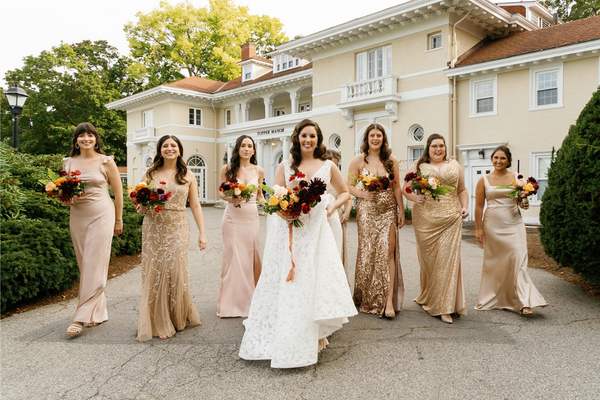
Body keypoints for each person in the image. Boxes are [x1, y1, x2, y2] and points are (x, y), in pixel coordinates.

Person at [239, 119, 357, 368]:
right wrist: (285, 211)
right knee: (292, 280)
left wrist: (332, 206)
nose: (308, 140)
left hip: (317, 230)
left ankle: (315, 334)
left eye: (312, 136)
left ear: (318, 139)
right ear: (297, 138)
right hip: (292, 230)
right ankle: (287, 331)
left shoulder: (328, 165)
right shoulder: (286, 165)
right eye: (304, 135)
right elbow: (275, 197)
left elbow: (345, 192)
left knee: (314, 279)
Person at [136, 135, 207, 341]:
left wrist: (202, 232)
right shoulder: (150, 173)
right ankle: (157, 320)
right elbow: (139, 201)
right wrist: (141, 206)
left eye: (173, 145)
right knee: (156, 269)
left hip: (178, 226)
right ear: (160, 150)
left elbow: (194, 205)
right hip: (153, 226)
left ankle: (177, 317)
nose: (169, 148)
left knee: (175, 269)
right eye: (165, 146)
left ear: (179, 149)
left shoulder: (188, 175)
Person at [65, 122, 124, 335]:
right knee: (85, 264)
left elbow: (118, 193)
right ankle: (97, 313)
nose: (86, 139)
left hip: (102, 215)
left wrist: (119, 220)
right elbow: (66, 192)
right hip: (78, 217)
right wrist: (65, 199)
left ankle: (79, 318)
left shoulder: (106, 162)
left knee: (94, 263)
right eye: (82, 135)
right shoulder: (68, 162)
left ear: (96, 139)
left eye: (90, 135)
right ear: (76, 140)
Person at [403, 133, 468, 324]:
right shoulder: (418, 166)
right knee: (429, 261)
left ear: (445, 147)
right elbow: (405, 188)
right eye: (434, 146)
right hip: (425, 219)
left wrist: (464, 207)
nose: (438, 149)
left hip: (451, 217)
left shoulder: (454, 165)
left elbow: (462, 190)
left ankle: (445, 306)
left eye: (441, 146)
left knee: (447, 261)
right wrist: (416, 198)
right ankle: (430, 296)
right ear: (428, 148)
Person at [474, 146, 547, 314]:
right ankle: (500, 298)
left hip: (514, 223)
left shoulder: (518, 178)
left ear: (508, 160)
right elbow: (478, 206)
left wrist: (525, 202)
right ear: (491, 159)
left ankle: (524, 303)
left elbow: (522, 202)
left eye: (502, 158)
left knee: (518, 259)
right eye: (496, 158)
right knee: (497, 263)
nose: (499, 161)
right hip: (492, 225)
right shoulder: (483, 180)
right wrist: (478, 228)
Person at [347, 123, 405, 318]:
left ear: (383, 138)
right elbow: (349, 187)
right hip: (367, 211)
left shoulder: (392, 161)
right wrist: (363, 194)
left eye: (379, 135)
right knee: (368, 252)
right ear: (367, 138)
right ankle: (365, 297)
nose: (375, 139)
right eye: (372, 135)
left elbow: (397, 187)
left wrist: (401, 211)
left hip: (388, 210)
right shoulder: (358, 161)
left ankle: (388, 300)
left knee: (388, 251)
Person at [217, 135, 264, 318]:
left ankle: (252, 300)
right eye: (243, 145)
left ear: (253, 150)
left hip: (251, 216)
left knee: (250, 255)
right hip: (232, 216)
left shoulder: (259, 170)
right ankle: (232, 303)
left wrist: (273, 205)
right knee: (234, 256)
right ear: (237, 148)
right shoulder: (227, 169)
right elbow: (220, 192)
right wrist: (230, 197)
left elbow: (259, 195)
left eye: (249, 146)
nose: (246, 148)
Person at [325, 149, 352, 283]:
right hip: (323, 217)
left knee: (337, 247)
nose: (333, 167)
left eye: (335, 164)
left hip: (337, 217)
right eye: (330, 163)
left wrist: (347, 212)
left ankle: (338, 281)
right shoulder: (319, 177)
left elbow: (348, 198)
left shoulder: (339, 178)